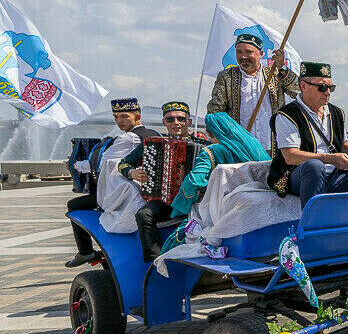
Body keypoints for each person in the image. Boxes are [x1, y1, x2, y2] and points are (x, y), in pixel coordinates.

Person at [266, 61, 348, 204]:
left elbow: (341, 143)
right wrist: (331, 159)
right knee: (314, 166)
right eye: (322, 87)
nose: (327, 92)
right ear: (303, 86)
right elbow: (290, 156)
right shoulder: (287, 115)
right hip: (299, 175)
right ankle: (315, 222)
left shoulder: (337, 112)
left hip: (335, 174)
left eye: (330, 87)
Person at [65, 98, 157, 267]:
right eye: (116, 117)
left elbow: (100, 163)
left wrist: (74, 165)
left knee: (74, 205)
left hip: (128, 194)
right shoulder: (154, 134)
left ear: (137, 115)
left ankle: (86, 252)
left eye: (124, 116)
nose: (119, 121)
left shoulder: (127, 138)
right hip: (149, 192)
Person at [162, 113, 271, 251]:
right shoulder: (254, 147)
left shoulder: (211, 151)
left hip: (220, 208)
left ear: (209, 133)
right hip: (255, 204)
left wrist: (180, 205)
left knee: (176, 238)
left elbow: (195, 180)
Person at [117, 101, 202, 261]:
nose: (176, 123)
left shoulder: (204, 146)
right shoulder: (152, 144)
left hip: (196, 201)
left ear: (189, 122)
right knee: (143, 215)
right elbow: (123, 164)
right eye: (170, 119)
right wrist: (132, 173)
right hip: (165, 200)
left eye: (181, 119)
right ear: (164, 122)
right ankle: (154, 260)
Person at [206, 34, 299, 153]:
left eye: (248, 52)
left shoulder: (275, 73)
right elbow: (215, 111)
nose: (243, 56)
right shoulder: (226, 76)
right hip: (241, 148)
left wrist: (283, 69)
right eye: (239, 52)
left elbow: (298, 91)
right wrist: (226, 139)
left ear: (261, 54)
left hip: (273, 147)